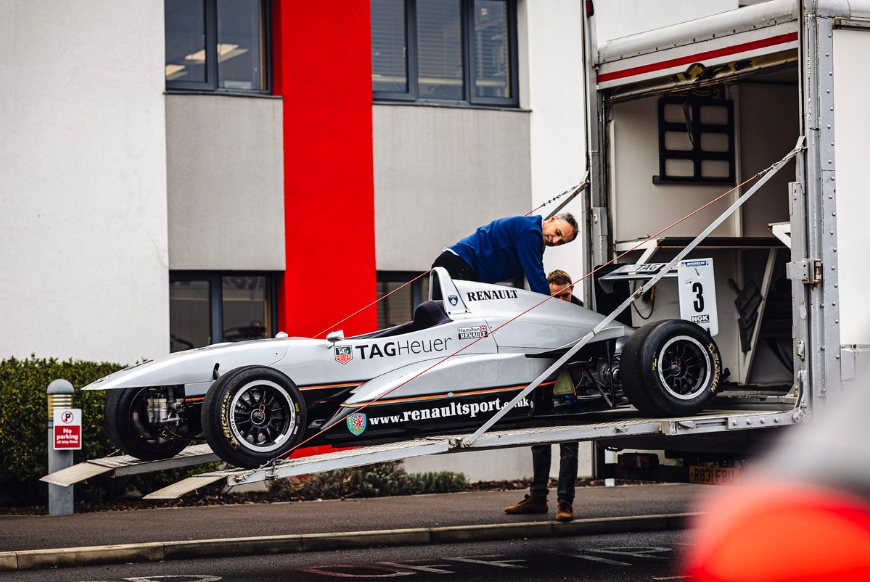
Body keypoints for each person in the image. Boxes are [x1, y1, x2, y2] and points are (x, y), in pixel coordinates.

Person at [503, 269, 582, 522]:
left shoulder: (583, 315)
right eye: (555, 298)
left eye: (565, 296)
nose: (561, 302)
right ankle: (537, 498)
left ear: (571, 289)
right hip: (541, 387)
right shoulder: (538, 313)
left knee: (569, 446)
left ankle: (565, 503)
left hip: (571, 387)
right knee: (539, 443)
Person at [432, 214, 578, 295]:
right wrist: (553, 308)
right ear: (552, 219)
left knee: (441, 320)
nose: (556, 240)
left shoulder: (533, 238)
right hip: (459, 264)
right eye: (558, 233)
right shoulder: (530, 232)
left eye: (561, 242)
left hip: (458, 266)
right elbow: (536, 278)